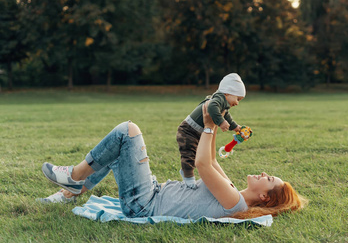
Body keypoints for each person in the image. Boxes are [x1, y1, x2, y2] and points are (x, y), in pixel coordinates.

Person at [39, 102, 307, 219]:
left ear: (264, 198)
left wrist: (207, 125)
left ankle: (75, 176)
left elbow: (201, 164)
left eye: (268, 180)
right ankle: (69, 192)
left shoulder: (234, 203)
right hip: (151, 193)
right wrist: (217, 117)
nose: (263, 173)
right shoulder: (232, 191)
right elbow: (211, 159)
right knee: (120, 149)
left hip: (144, 204)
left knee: (127, 130)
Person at [177, 73, 248, 188]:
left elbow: (226, 116)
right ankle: (188, 177)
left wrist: (235, 127)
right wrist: (221, 122)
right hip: (188, 130)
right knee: (189, 154)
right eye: (237, 98)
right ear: (228, 93)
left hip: (196, 131)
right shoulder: (218, 99)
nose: (237, 103)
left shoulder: (223, 104)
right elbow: (212, 107)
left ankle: (186, 171)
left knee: (196, 154)